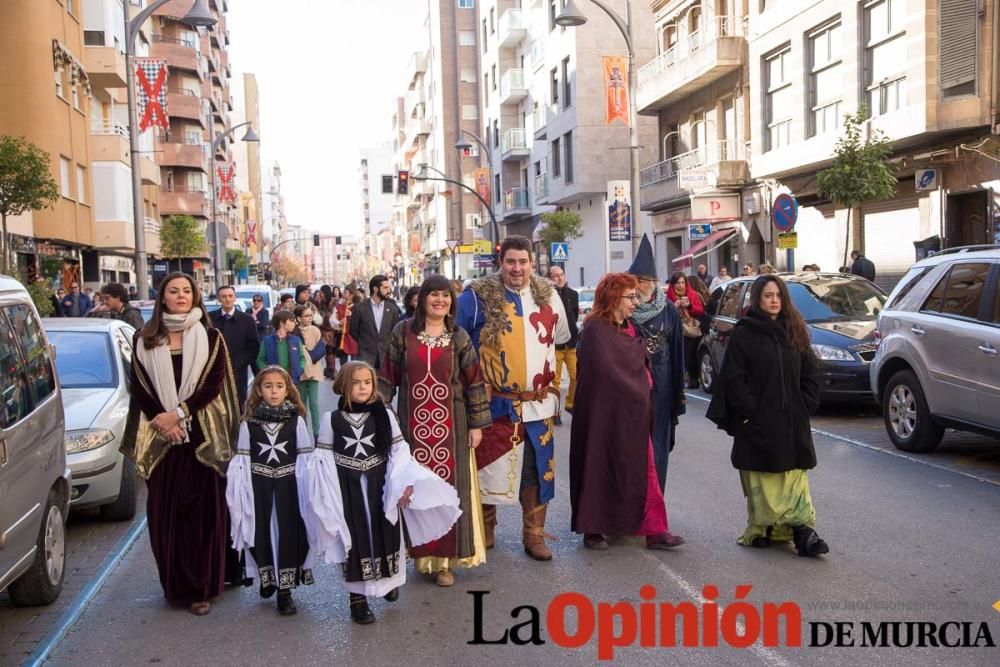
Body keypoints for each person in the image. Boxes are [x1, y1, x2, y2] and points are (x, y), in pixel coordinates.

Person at [120, 272, 240, 615]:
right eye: (174, 291)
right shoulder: (145, 338)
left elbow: (212, 383)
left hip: (201, 437)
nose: (181, 295)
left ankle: (202, 586)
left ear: (195, 296)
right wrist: (163, 417)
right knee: (164, 514)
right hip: (162, 437)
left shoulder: (210, 336)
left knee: (202, 514)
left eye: (187, 290)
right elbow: (139, 385)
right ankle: (176, 585)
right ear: (162, 298)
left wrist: (181, 414)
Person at [311, 362, 462, 624]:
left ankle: (389, 581)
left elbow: (399, 452)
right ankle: (357, 600)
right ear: (344, 385)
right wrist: (327, 496)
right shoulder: (331, 420)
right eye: (356, 383)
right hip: (348, 491)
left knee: (385, 535)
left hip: (380, 486)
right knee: (355, 541)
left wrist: (404, 484)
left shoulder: (384, 415)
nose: (362, 387)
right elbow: (323, 460)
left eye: (367, 383)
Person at [456, 235, 570, 561]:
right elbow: (457, 344)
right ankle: (486, 530)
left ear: (532, 264)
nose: (517, 268)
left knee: (535, 472)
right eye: (510, 262)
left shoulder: (549, 296)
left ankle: (534, 536)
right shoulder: (475, 298)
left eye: (523, 262)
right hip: (495, 404)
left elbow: (560, 338)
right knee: (487, 469)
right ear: (500, 263)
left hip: (537, 404)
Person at [379, 275, 492, 587]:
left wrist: (477, 425)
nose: (440, 301)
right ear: (422, 299)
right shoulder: (403, 332)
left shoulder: (459, 337)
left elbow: (474, 382)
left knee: (449, 492)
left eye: (446, 296)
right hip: (411, 428)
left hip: (452, 430)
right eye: (434, 295)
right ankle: (419, 556)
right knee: (415, 490)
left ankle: (445, 562)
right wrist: (376, 417)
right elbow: (387, 377)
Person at [706, 276, 829, 558]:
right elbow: (734, 379)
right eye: (768, 296)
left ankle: (804, 533)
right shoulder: (745, 334)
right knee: (764, 484)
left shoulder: (794, 330)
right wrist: (751, 410)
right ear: (758, 300)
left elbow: (810, 372)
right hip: (759, 424)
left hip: (792, 424)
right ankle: (765, 528)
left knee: (795, 480)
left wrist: (805, 405)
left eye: (778, 296)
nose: (774, 301)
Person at [570, 273, 682, 550]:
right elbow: (604, 372)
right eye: (630, 297)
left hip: (633, 415)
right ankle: (593, 528)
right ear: (613, 297)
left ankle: (654, 530)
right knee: (599, 467)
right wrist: (634, 385)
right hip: (603, 416)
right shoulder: (595, 330)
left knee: (645, 472)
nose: (635, 302)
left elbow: (636, 361)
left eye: (635, 296)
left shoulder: (631, 328)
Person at [226, 366, 314, 615]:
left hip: (288, 488)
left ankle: (284, 591)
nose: (274, 392)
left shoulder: (296, 421)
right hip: (260, 487)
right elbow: (242, 461)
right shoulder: (248, 424)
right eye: (268, 386)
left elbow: (305, 458)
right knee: (262, 533)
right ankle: (268, 579)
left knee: (287, 534)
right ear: (258, 390)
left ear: (287, 390)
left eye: (279, 387)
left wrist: (307, 491)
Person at [627, 236, 686, 512]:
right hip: (630, 394)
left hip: (660, 394)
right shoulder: (622, 311)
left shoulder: (669, 312)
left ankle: (652, 510)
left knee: (657, 454)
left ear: (653, 282)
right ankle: (628, 508)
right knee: (630, 452)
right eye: (636, 280)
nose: (640, 285)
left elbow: (677, 356)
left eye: (645, 280)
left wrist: (677, 397)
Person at [210, 285, 261, 410]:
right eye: (224, 296)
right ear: (219, 299)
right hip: (214, 372)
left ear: (235, 298)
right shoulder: (210, 318)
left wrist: (240, 362)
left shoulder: (247, 320)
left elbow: (253, 346)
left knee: (237, 406)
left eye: (230, 296)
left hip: (238, 372)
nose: (227, 299)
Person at [547, 265, 579, 426]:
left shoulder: (573, 294)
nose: (559, 278)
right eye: (555, 276)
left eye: (561, 275)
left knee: (576, 376)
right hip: (555, 345)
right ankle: (555, 412)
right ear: (549, 278)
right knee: (556, 381)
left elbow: (574, 316)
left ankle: (570, 404)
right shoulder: (547, 296)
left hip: (571, 343)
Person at [349, 274, 401, 371]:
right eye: (385, 288)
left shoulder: (392, 309)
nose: (388, 291)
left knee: (385, 386)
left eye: (389, 288)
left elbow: (395, 333)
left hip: (386, 358)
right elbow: (353, 331)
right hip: (365, 357)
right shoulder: (360, 308)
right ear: (375, 289)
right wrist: (365, 342)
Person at [666, 272, 705, 389]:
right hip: (675, 329)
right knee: (679, 356)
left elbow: (700, 311)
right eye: (678, 283)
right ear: (673, 284)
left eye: (683, 282)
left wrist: (689, 306)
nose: (681, 285)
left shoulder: (692, 294)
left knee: (690, 356)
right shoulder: (668, 296)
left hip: (690, 329)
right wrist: (674, 306)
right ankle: (679, 382)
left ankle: (693, 379)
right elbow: (665, 312)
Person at [293, 303, 327, 436]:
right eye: (306, 316)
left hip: (313, 373)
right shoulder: (295, 332)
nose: (309, 318)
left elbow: (318, 352)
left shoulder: (315, 330)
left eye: (310, 315)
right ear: (298, 318)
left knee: (314, 404)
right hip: (300, 374)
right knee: (302, 406)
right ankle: (303, 433)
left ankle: (317, 433)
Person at [257, 311, 309, 384]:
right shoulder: (267, 341)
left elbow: (302, 358)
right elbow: (260, 360)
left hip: (292, 381)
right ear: (282, 323)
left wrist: (298, 370)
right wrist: (268, 372)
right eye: (291, 321)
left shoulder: (296, 340)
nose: (294, 323)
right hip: (273, 381)